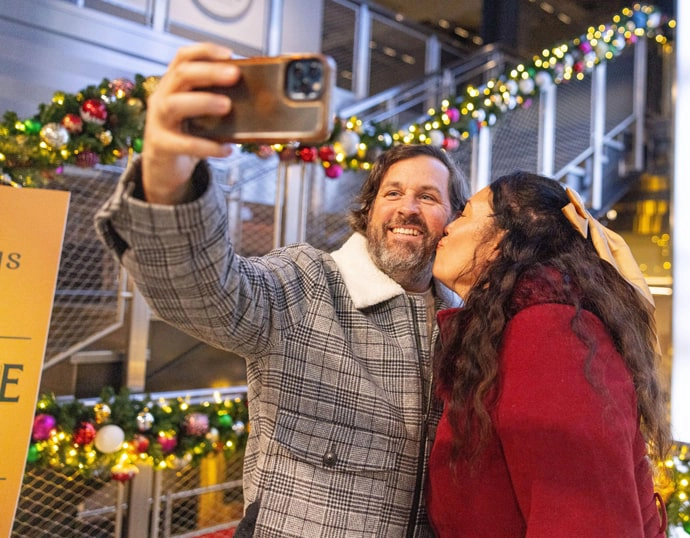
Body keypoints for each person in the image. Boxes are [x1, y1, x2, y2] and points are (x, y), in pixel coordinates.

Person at [94, 42, 469, 537]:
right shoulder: (307, 284)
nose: (406, 207)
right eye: (392, 193)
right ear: (369, 210)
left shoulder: (466, 326)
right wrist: (167, 179)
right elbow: (208, 293)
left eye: (428, 196)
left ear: (454, 219)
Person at [427, 171, 672, 537]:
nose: (447, 227)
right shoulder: (527, 326)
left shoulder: (552, 333)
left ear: (503, 241)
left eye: (465, 215)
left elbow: (585, 522)